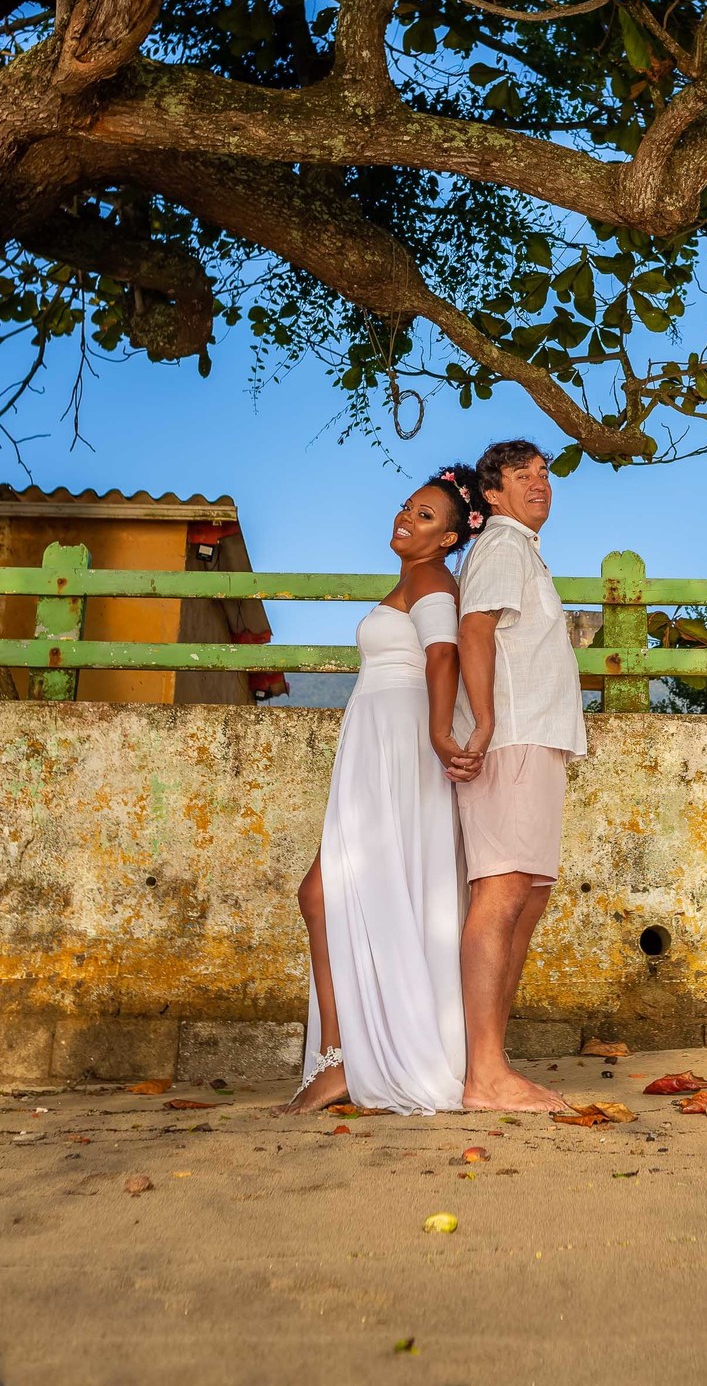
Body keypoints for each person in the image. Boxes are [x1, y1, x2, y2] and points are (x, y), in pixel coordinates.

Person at [285, 465, 487, 1114]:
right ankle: (345, 1056)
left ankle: (344, 1060)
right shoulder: (409, 580)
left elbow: (444, 653)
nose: (406, 517)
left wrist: (438, 732)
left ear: (449, 539)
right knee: (333, 896)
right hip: (377, 742)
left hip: (399, 745)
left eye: (425, 516)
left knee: (322, 894)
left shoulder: (431, 579)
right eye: (406, 506)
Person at [451, 439, 587, 1111]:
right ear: (493, 494)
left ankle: (489, 1062)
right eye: (521, 475)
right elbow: (475, 630)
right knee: (502, 894)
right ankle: (483, 1075)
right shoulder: (503, 545)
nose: (540, 483)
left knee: (525, 901)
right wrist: (483, 723)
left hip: (536, 737)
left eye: (544, 473)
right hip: (511, 737)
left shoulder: (523, 551)